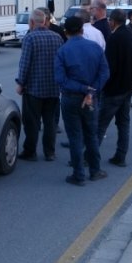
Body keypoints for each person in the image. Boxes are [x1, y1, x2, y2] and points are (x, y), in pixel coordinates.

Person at [54, 16, 110, 186]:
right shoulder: (95, 48)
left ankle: (78, 175)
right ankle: (95, 170)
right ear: (82, 29)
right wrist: (91, 90)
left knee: (75, 137)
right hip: (91, 98)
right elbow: (104, 73)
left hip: (71, 99)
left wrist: (82, 89)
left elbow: (60, 79)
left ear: (66, 32)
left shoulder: (63, 51)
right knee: (91, 135)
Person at [16, 8, 63, 162]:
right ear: (45, 21)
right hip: (53, 88)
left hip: (34, 88)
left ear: (31, 22)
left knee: (31, 122)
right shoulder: (57, 37)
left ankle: (30, 152)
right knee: (50, 122)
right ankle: (50, 152)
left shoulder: (30, 38)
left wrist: (20, 83)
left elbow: (25, 64)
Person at [97, 9, 132, 167]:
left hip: (115, 90)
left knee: (100, 124)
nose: (108, 23)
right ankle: (121, 155)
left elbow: (109, 67)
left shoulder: (114, 38)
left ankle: (89, 157)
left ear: (113, 21)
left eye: (110, 20)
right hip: (128, 87)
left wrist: (104, 87)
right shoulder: (131, 35)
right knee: (123, 123)